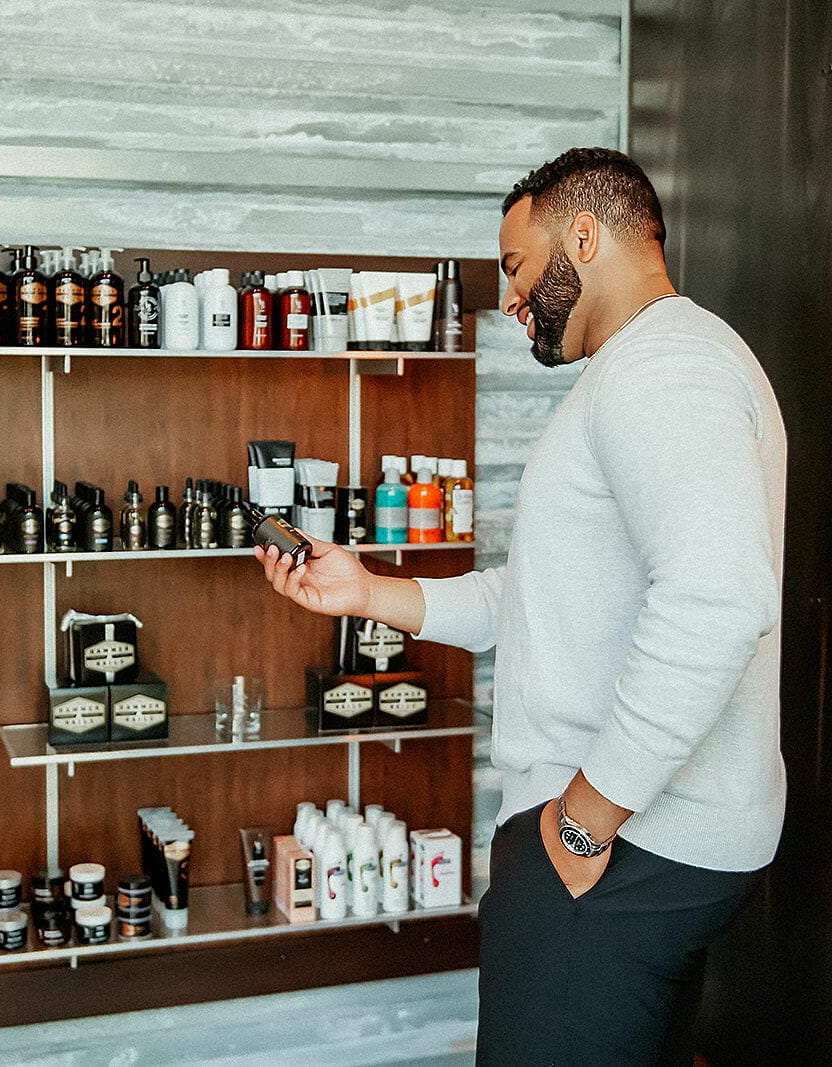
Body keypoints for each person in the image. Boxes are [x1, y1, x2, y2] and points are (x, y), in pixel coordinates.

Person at [256, 147, 786, 1064]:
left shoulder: (663, 371)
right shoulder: (653, 370)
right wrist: (370, 591)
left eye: (515, 266)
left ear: (584, 234)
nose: (506, 300)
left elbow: (718, 599)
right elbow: (538, 599)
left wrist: (585, 817)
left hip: (617, 854)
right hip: (641, 850)